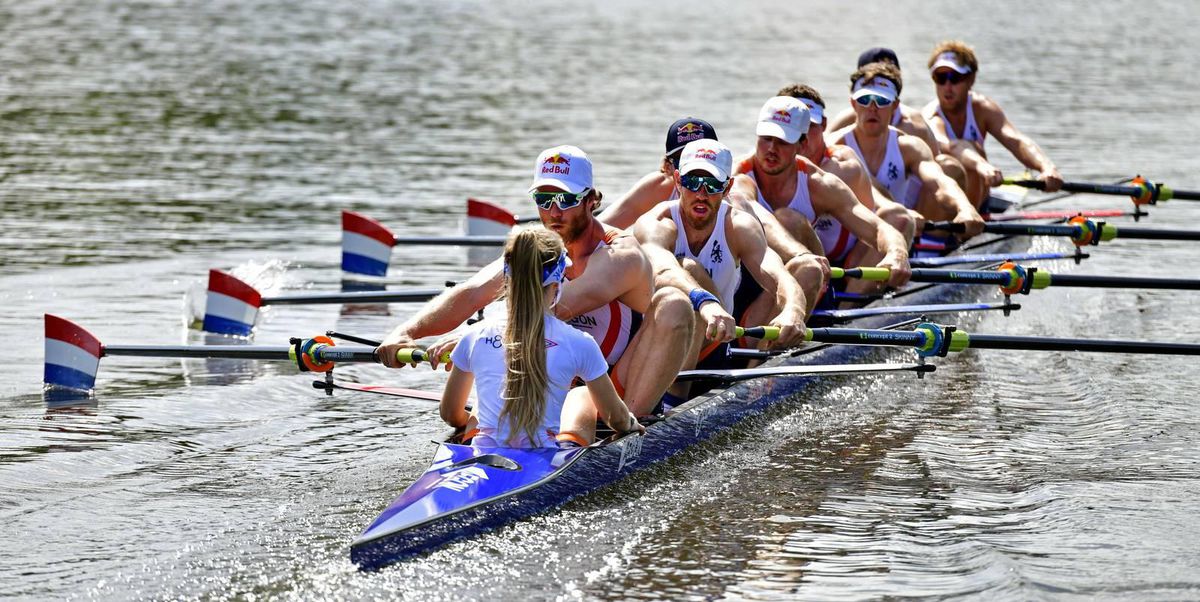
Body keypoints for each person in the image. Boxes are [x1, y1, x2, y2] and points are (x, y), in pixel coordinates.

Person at [379, 145, 695, 417]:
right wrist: (405, 331)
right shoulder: (537, 248)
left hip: (614, 385)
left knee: (674, 305)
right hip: (557, 381)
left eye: (566, 199)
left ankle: (629, 428)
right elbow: (471, 293)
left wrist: (476, 333)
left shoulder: (620, 254)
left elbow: (563, 305)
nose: (554, 212)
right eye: (544, 199)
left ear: (591, 201)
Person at [440, 227, 644, 447]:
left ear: (508, 282)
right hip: (546, 459)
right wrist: (632, 424)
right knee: (581, 394)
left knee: (481, 401)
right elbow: (616, 418)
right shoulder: (580, 343)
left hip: (482, 454)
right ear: (557, 285)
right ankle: (566, 445)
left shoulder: (474, 335)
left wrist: (470, 420)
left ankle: (477, 440)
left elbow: (450, 413)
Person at [633, 139, 807, 378]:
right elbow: (661, 269)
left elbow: (778, 276)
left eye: (712, 185)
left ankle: (676, 400)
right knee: (687, 272)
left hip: (716, 341)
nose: (701, 195)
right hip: (658, 341)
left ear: (727, 188)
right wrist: (705, 302)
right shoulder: (656, 223)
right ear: (677, 181)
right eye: (692, 183)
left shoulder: (739, 227)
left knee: (691, 272)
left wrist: (794, 310)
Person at [730, 95, 912, 297]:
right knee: (785, 221)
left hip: (802, 279)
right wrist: (801, 255)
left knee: (789, 220)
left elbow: (877, 228)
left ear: (802, 144)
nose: (772, 149)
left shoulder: (818, 183)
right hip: (746, 279)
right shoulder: (738, 177)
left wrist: (897, 252)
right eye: (766, 139)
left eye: (783, 141)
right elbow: (764, 221)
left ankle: (821, 298)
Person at [775, 83, 918, 281]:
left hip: (851, 260)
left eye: (810, 127)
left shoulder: (841, 165)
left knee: (898, 218)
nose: (803, 137)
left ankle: (849, 303)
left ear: (824, 125)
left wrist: (897, 252)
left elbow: (876, 204)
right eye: (793, 130)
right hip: (798, 257)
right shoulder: (762, 163)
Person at [829, 62, 985, 240]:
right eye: (865, 99)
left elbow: (939, 182)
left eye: (882, 100)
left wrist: (964, 207)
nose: (873, 108)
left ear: (895, 105)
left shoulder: (909, 147)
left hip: (891, 234)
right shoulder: (834, 145)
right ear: (853, 104)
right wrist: (902, 213)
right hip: (842, 242)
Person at [921, 40, 1063, 207]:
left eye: (955, 77)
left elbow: (1015, 140)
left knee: (975, 153)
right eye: (941, 78)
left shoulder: (982, 109)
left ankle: (975, 217)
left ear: (971, 79)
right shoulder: (930, 116)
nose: (947, 86)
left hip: (976, 198)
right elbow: (950, 146)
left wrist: (1047, 168)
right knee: (960, 156)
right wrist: (982, 166)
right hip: (940, 201)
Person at [598, 117, 719, 230]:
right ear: (668, 167)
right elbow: (599, 229)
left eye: (701, 160)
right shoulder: (657, 188)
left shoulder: (733, 199)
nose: (693, 170)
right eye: (681, 161)